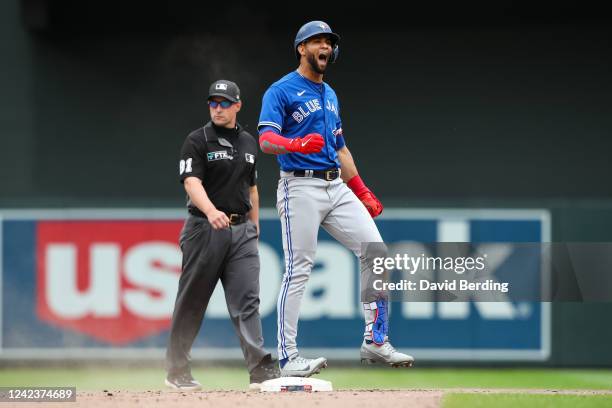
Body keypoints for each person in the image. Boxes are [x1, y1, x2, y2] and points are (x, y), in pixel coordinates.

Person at [257, 21, 414, 377]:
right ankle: (288, 358)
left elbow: (340, 149)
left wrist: (361, 190)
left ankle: (375, 341)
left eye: (328, 41)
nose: (324, 46)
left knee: (376, 252)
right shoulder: (281, 90)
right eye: (317, 41)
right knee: (299, 268)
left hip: (335, 186)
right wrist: (294, 144)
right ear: (301, 48)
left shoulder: (329, 94)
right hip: (299, 186)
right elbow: (266, 139)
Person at [165, 79, 279, 390]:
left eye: (224, 102)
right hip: (204, 227)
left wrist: (255, 226)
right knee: (192, 300)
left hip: (241, 231)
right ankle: (177, 371)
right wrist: (211, 210)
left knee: (248, 301)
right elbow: (191, 182)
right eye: (213, 102)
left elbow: (252, 189)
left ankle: (260, 370)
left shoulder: (248, 142)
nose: (218, 107)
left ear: (237, 106)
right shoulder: (197, 140)